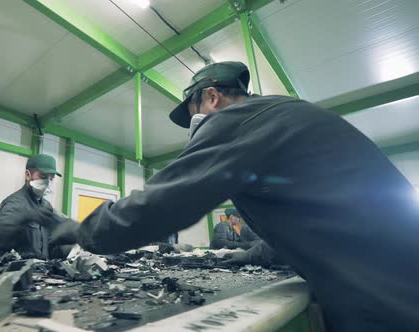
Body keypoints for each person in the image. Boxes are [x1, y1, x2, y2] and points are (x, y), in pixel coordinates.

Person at [51, 61, 419, 331]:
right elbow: (292, 234)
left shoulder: (240, 120)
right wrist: (230, 258)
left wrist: (84, 229)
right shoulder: (280, 117)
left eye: (193, 112)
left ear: (211, 97)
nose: (194, 125)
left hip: (382, 292)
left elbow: (167, 199)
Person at [0, 154, 70, 259]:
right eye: (43, 177)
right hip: (18, 272)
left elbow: (49, 243)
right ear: (28, 175)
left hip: (42, 271)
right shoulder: (13, 204)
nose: (48, 182)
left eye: (51, 178)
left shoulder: (46, 206)